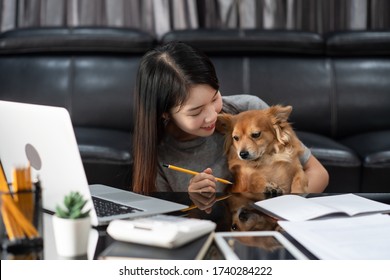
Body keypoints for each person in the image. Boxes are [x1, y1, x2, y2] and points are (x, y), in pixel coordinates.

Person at [132, 41, 329, 195]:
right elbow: (165, 224)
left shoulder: (251, 111)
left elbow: (317, 172)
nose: (213, 115)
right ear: (165, 112)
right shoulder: (158, 153)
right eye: (196, 111)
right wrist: (193, 202)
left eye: (215, 97)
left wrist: (286, 209)